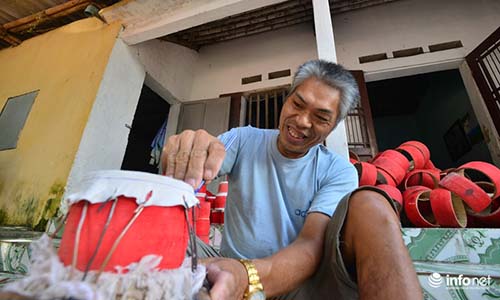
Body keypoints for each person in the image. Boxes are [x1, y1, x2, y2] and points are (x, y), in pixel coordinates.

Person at [162, 59, 422, 300]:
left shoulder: (338, 171)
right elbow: (207, 158)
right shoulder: (243, 140)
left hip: (296, 283)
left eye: (320, 117)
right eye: (297, 104)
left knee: (371, 203)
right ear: (287, 100)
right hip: (228, 262)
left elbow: (310, 246)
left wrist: (245, 275)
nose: (301, 122)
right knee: (156, 237)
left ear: (333, 126)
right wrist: (188, 154)